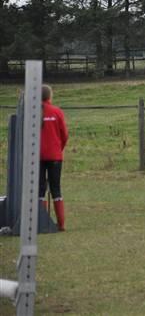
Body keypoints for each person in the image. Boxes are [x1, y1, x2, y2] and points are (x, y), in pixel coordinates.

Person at [40, 84, 69, 231]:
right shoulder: (57, 111)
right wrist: (58, 149)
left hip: (37, 156)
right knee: (56, 189)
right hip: (55, 156)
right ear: (50, 95)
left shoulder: (34, 112)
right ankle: (61, 224)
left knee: (39, 190)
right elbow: (64, 134)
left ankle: (42, 222)